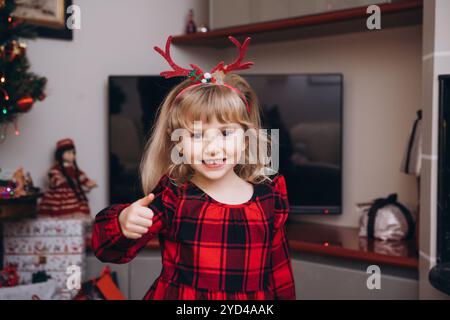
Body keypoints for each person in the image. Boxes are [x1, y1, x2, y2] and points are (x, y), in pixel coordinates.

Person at [91, 36, 296, 300]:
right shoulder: (172, 196)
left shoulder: (270, 197)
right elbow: (108, 251)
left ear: (246, 139)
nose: (212, 148)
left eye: (225, 133)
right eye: (197, 136)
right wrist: (122, 222)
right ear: (177, 142)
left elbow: (280, 274)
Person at [38, 138, 97, 217]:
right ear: (60, 154)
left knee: (78, 210)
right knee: (60, 213)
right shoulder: (56, 168)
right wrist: (63, 181)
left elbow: (82, 177)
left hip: (74, 196)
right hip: (59, 197)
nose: (72, 155)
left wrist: (88, 183)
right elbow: (54, 179)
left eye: (73, 153)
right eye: (69, 153)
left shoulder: (74, 169)